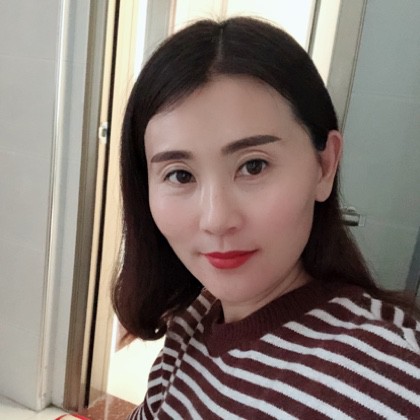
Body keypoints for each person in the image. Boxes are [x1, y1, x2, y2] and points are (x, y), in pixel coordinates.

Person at [112, 17, 420, 419]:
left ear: (325, 166)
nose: (216, 219)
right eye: (181, 175)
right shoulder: (196, 319)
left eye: (253, 166)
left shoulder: (391, 379)